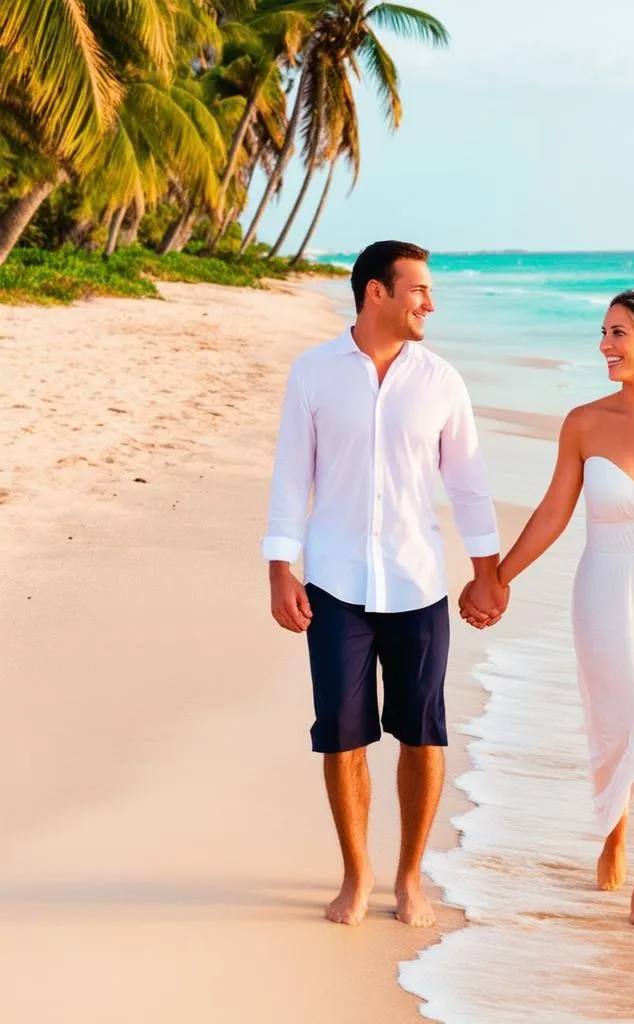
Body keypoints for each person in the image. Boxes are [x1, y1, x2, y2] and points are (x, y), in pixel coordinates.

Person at [460, 287, 634, 931]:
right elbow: (554, 512)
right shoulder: (584, 422)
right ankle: (613, 827)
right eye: (603, 332)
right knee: (616, 724)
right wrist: (497, 579)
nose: (605, 346)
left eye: (618, 333)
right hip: (605, 588)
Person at [263, 240, 508, 928]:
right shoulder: (313, 373)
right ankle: (355, 873)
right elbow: (291, 475)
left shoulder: (441, 381)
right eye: (419, 290)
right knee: (341, 735)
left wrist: (486, 575)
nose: (430, 302)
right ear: (377, 292)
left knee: (422, 734)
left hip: (418, 580)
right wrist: (280, 569)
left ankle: (408, 879)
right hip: (334, 581)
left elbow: (468, 485)